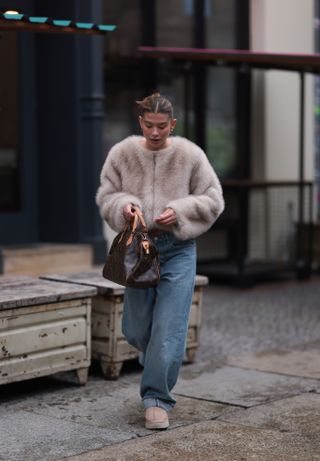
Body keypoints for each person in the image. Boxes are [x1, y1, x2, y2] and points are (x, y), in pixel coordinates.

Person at [96, 92, 224, 430]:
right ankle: (154, 358)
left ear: (173, 124)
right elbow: (106, 194)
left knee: (169, 331)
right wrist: (124, 205)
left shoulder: (189, 154)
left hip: (179, 250)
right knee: (136, 329)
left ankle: (156, 399)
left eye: (162, 127)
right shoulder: (122, 153)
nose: (155, 133)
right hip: (138, 249)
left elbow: (213, 199)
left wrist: (181, 211)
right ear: (140, 123)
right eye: (149, 126)